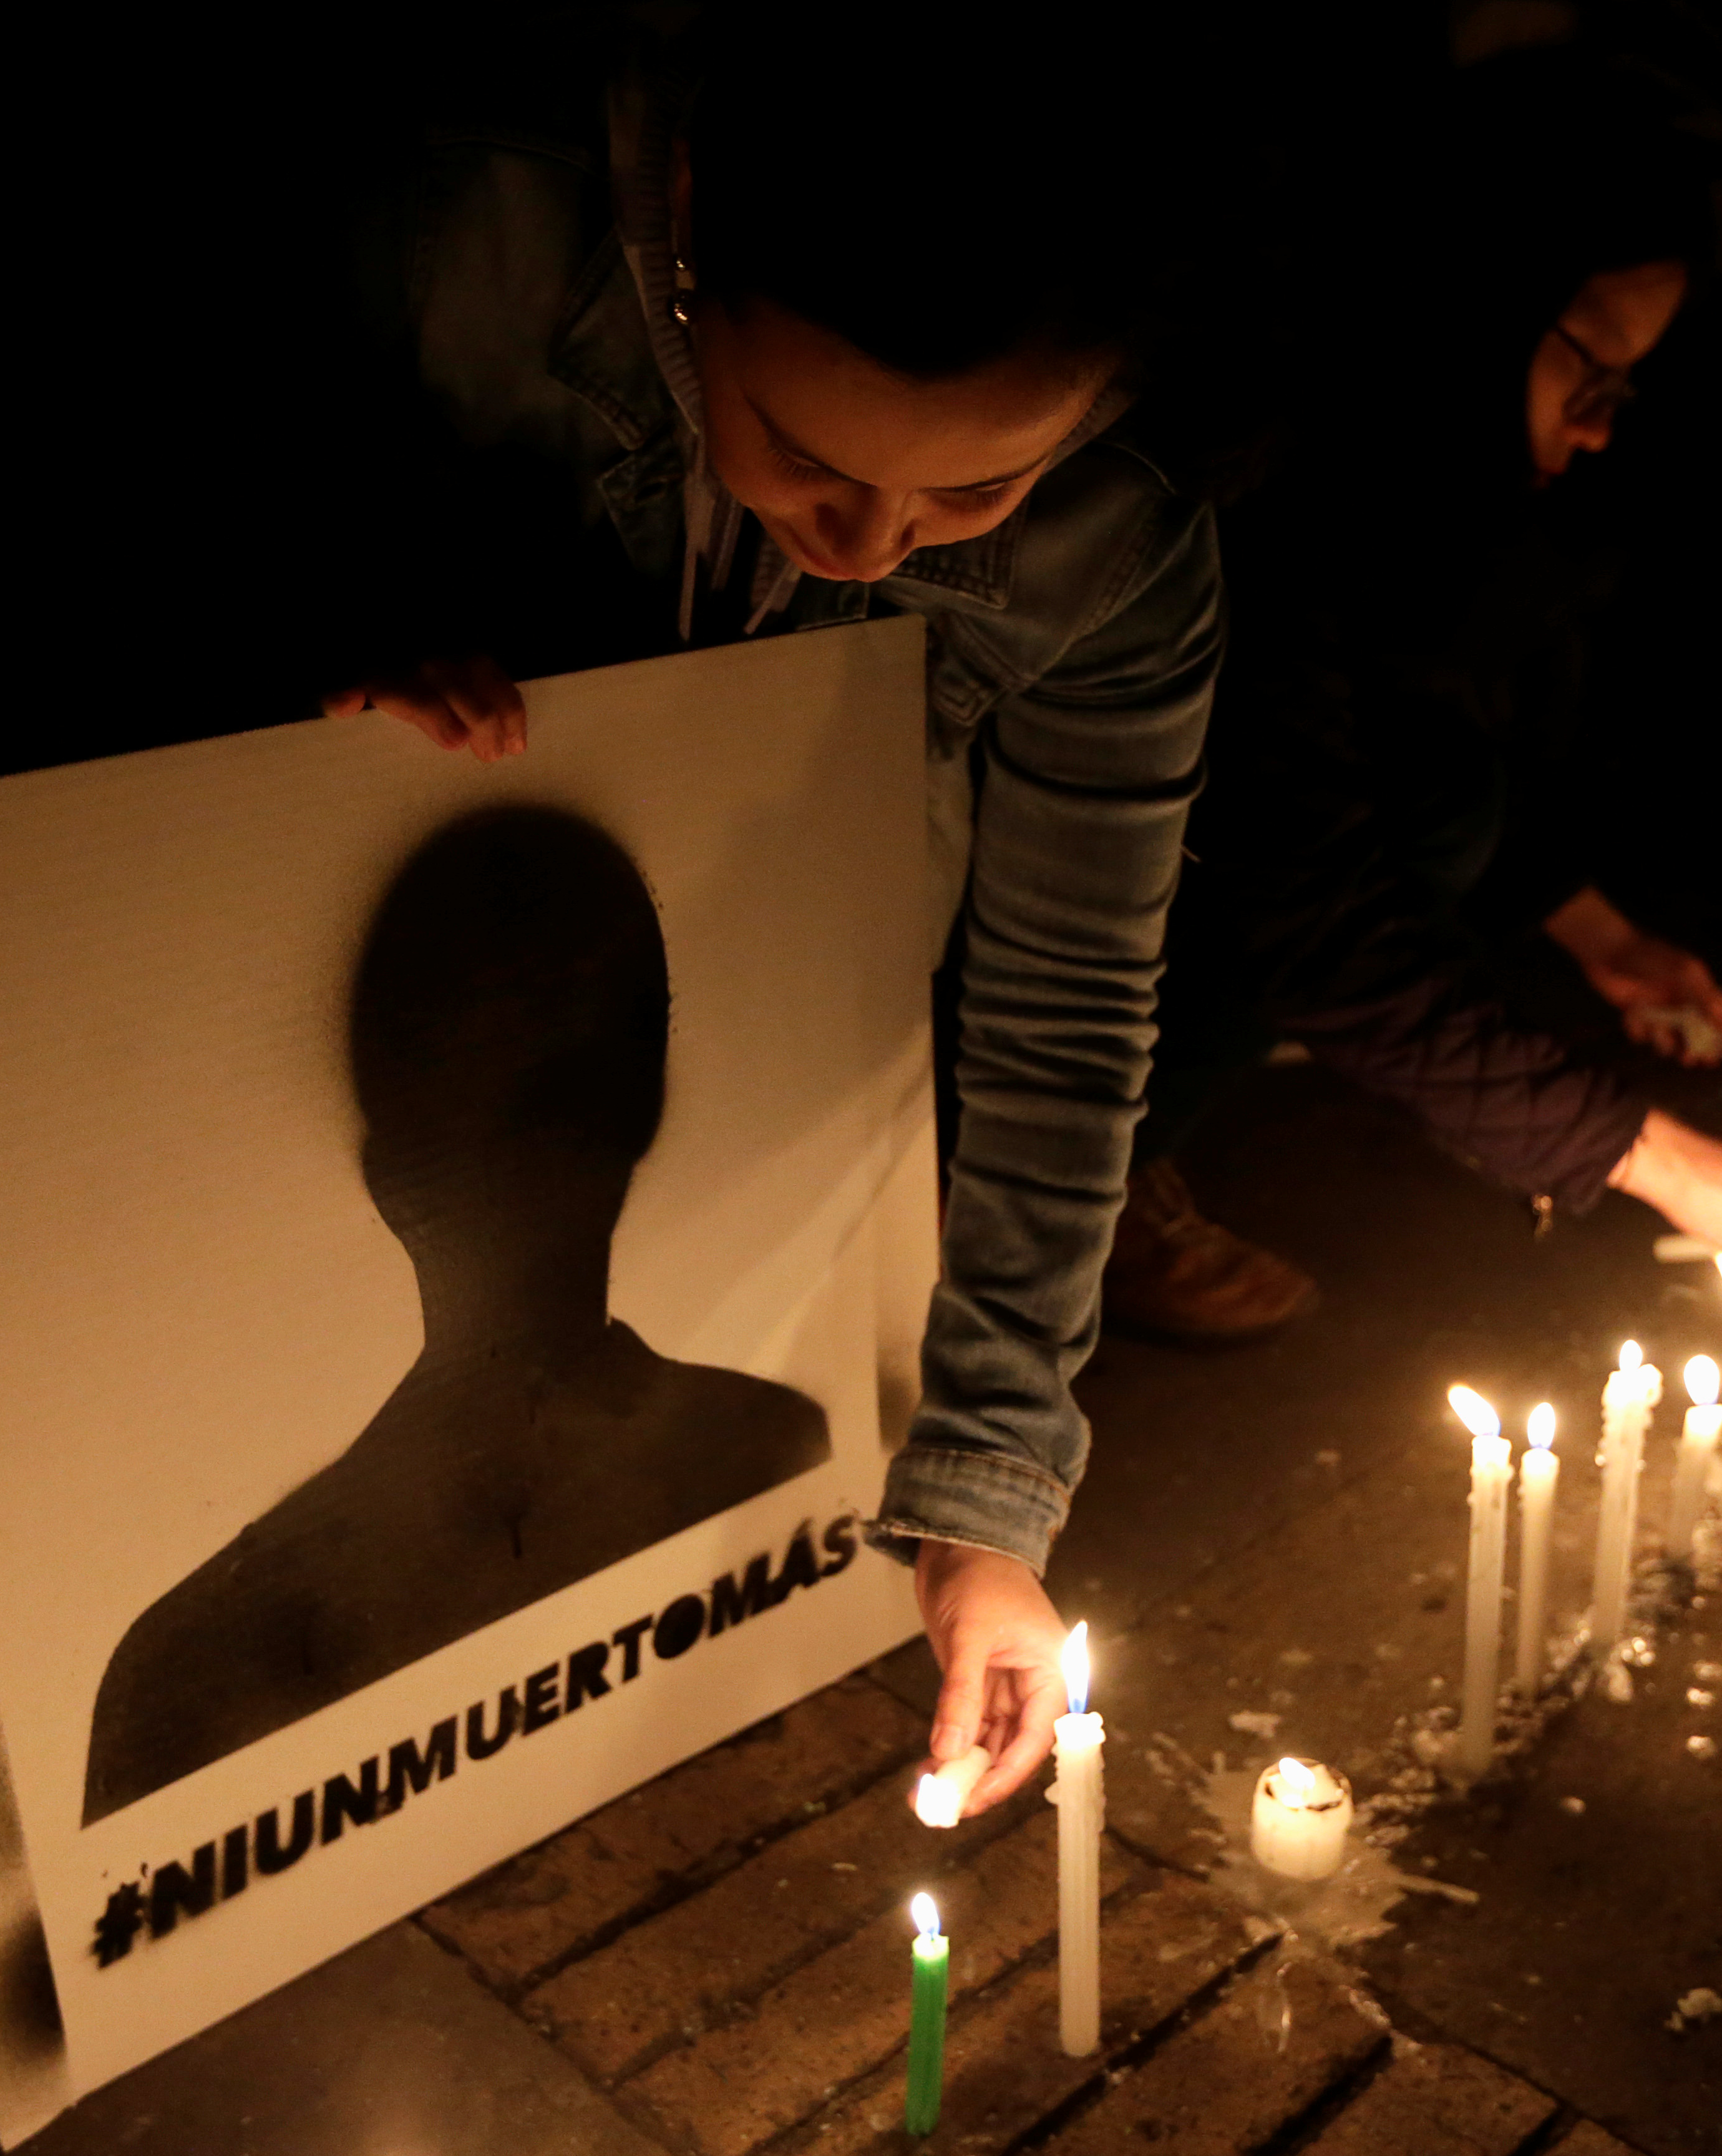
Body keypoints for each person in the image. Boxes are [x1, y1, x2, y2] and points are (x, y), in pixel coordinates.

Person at [314, 8, 1223, 1819]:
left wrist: (987, 1494)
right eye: (805, 451)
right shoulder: (467, 238)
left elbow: (1065, 1012)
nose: (874, 544)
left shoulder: (1117, 555)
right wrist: (305, 667)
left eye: (978, 487)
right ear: (687, 242)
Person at [1107, 48, 1722, 1346]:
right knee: (1426, 819)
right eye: (1591, 369)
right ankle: (1038, 1183)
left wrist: (1602, 938)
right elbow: (1324, 930)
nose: (1605, 427)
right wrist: (1669, 1165)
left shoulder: (1408, 511)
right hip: (947, 952)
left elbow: (1408, 742)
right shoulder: (1256, 510)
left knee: (1447, 796)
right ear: (1473, 308)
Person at [84, 807, 832, 1820]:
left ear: (388, 1180)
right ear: (643, 1115)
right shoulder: (768, 1450)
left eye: (537, 1116)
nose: (517, 1177)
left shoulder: (200, 1651)